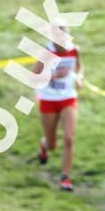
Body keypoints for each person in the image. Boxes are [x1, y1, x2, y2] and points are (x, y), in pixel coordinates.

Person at [33, 25, 83, 192]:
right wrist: (54, 75)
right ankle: (43, 146)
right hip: (48, 99)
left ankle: (65, 178)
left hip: (68, 98)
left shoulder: (74, 50)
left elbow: (79, 68)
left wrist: (79, 78)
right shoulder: (45, 53)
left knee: (69, 138)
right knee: (52, 144)